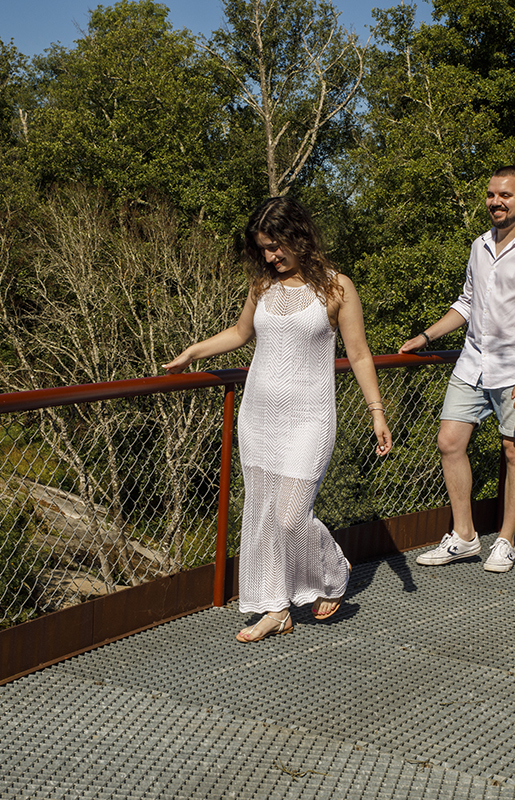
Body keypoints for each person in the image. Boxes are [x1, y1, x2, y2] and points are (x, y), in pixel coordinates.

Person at [164, 197, 392, 642]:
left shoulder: (336, 288)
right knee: (264, 514)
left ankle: (332, 567)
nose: (270, 256)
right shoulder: (262, 286)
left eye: (276, 246)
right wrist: (194, 351)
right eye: (263, 248)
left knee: (290, 516)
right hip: (259, 417)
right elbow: (239, 333)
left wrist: (376, 412)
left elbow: (359, 353)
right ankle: (275, 608)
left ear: (299, 235)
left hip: (309, 418)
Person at [399, 165, 515, 573]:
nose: (495, 202)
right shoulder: (479, 245)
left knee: (514, 450)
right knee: (449, 441)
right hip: (473, 361)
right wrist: (426, 336)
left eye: (505, 195)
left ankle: (506, 540)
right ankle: (465, 536)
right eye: (491, 194)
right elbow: (466, 303)